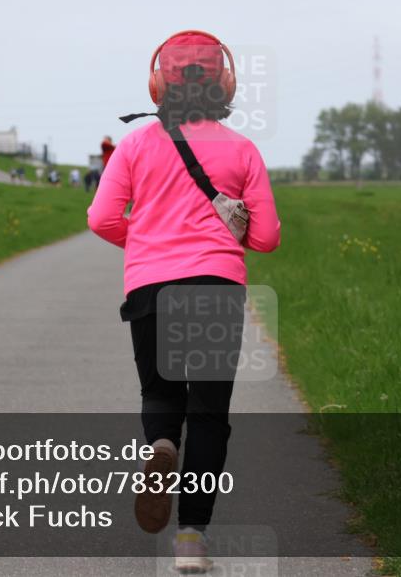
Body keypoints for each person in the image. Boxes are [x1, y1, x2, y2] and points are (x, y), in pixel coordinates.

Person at [87, 30, 280, 573]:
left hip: (150, 287)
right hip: (217, 288)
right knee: (210, 413)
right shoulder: (242, 150)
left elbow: (101, 219)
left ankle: (162, 445)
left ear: (156, 84)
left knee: (160, 393)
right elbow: (266, 238)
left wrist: (147, 243)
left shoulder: (133, 145)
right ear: (225, 83)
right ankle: (191, 539)